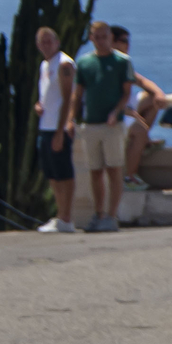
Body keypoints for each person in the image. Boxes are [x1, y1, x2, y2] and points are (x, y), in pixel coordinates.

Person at [66, 17, 132, 233]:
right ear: (92, 38)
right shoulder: (85, 63)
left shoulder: (122, 62)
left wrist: (116, 112)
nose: (102, 41)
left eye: (106, 37)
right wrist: (71, 118)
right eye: (98, 37)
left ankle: (112, 216)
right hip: (91, 123)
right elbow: (78, 94)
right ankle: (98, 213)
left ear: (110, 38)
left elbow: (126, 93)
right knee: (95, 171)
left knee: (114, 169)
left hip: (112, 125)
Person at [32, 26, 78, 232]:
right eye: (42, 42)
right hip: (46, 125)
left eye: (49, 41)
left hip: (57, 127)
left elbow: (69, 97)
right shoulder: (45, 65)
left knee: (63, 173)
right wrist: (40, 105)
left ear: (57, 42)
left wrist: (62, 130)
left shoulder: (64, 64)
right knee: (51, 173)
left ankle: (66, 217)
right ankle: (60, 215)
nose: (46, 45)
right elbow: (50, 94)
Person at [110, 24, 166, 193]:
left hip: (126, 106)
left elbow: (141, 82)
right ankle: (129, 176)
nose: (127, 44)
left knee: (151, 101)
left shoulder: (124, 63)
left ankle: (143, 142)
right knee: (140, 129)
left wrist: (158, 94)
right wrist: (127, 112)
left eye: (128, 41)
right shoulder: (105, 63)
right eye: (122, 41)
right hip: (112, 112)